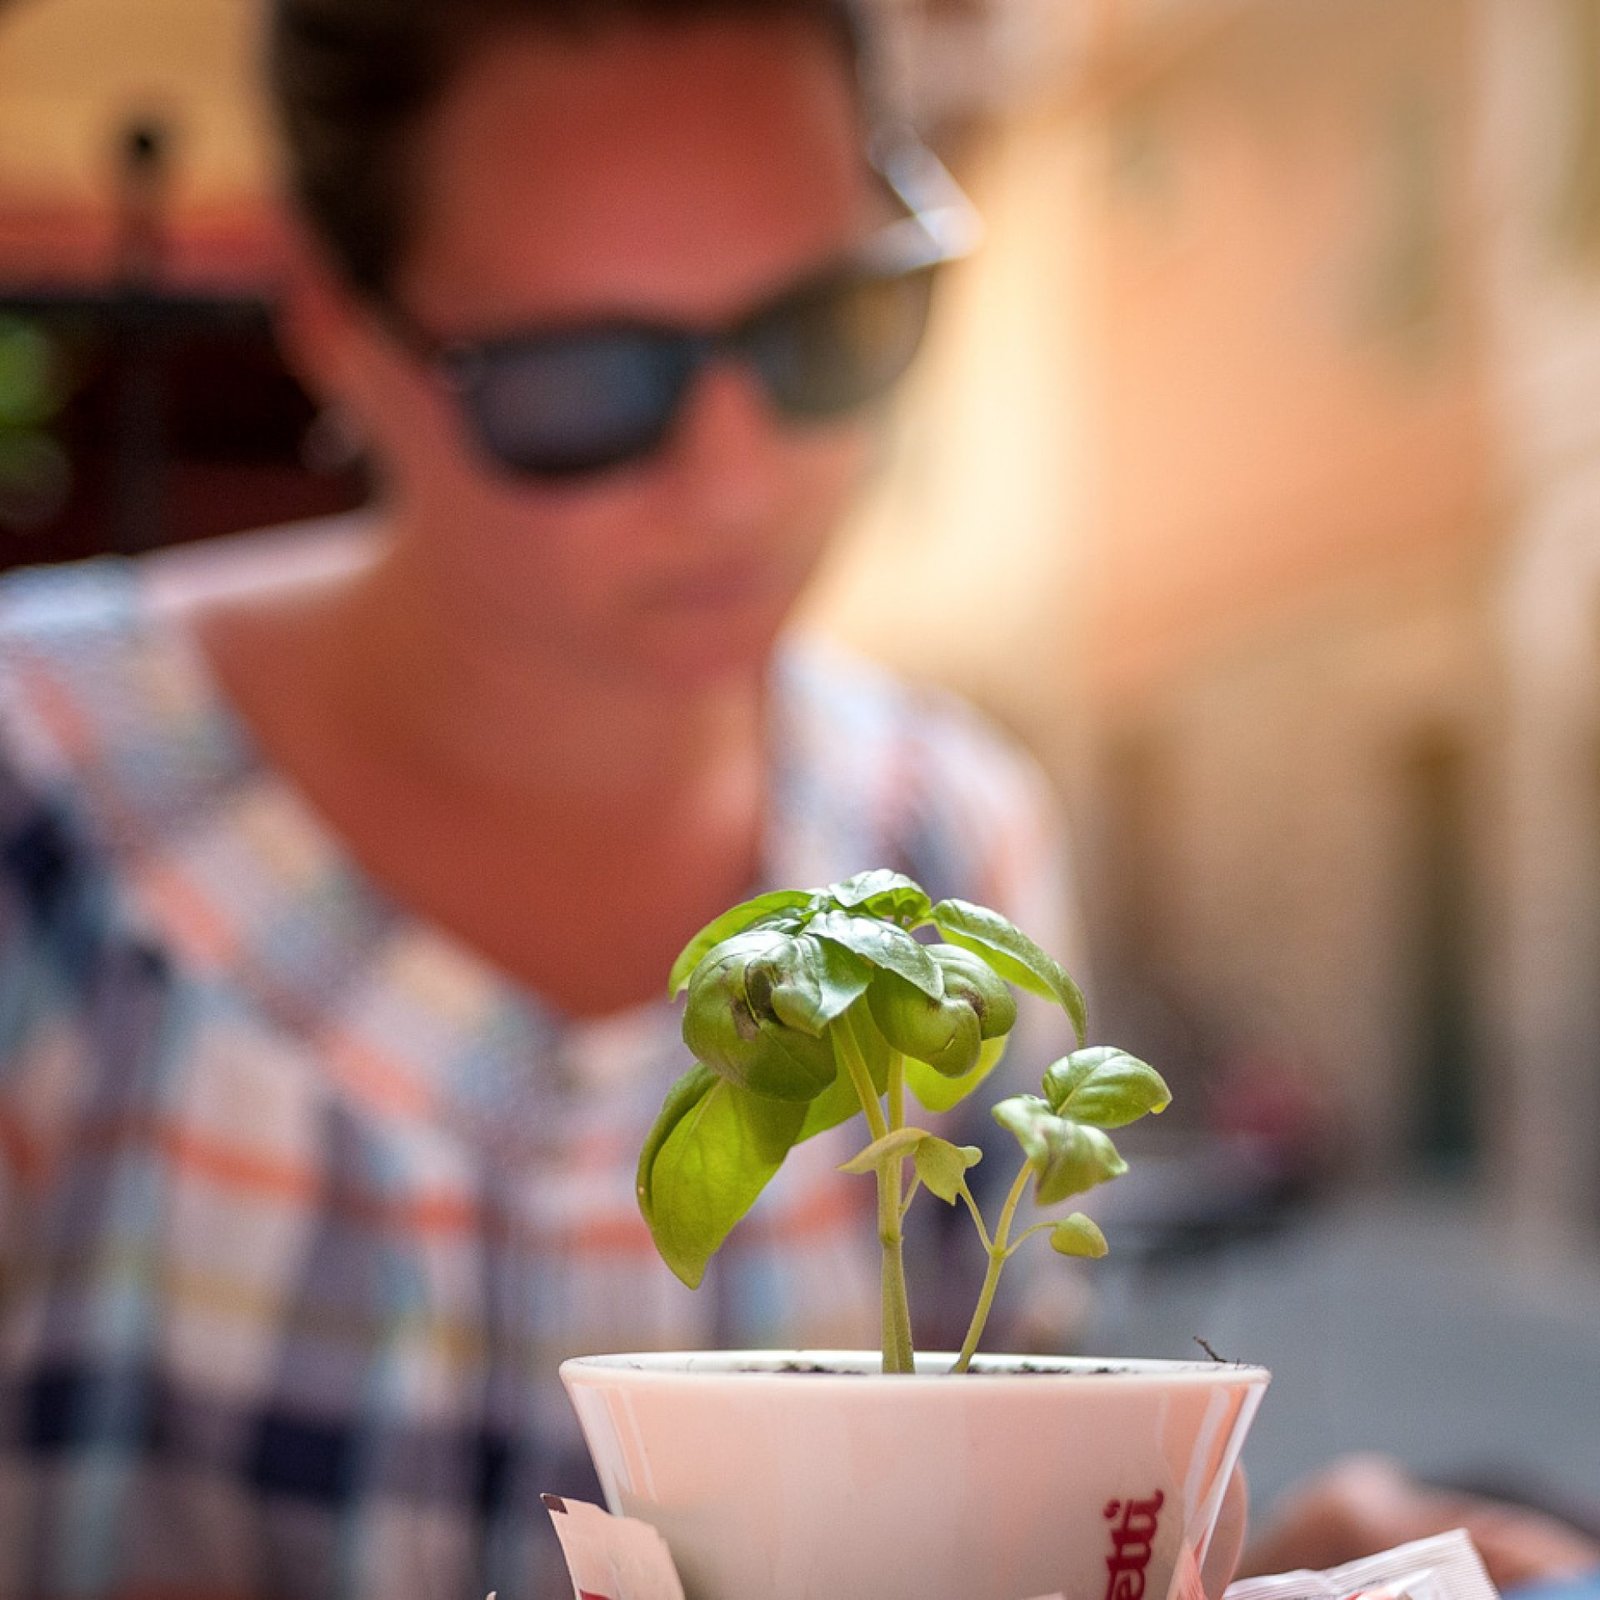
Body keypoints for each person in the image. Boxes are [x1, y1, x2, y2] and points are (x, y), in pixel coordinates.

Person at [0, 2, 1073, 1595]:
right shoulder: (44, 800)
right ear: (337, 325)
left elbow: (1029, 1514)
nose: (737, 478)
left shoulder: (948, 840)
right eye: (582, 383)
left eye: (827, 328)